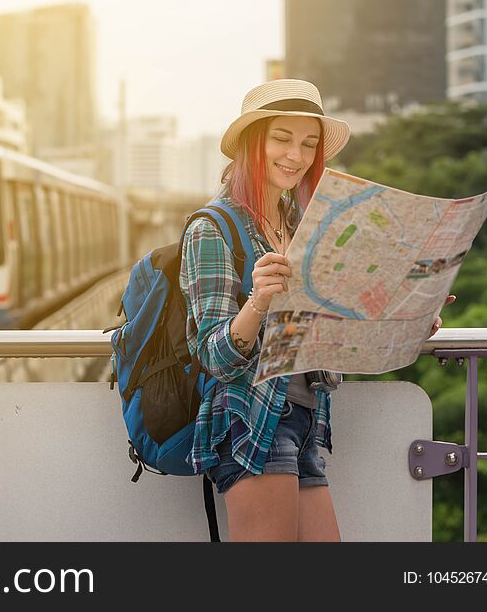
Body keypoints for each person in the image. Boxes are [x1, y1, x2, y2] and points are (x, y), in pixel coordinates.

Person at [180, 79, 452, 542]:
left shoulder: (304, 226)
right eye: (282, 139)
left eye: (308, 144)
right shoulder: (212, 228)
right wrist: (258, 301)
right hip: (252, 417)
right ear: (252, 143)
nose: (296, 156)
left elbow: (334, 331)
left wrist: (408, 317)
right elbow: (214, 355)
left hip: (308, 419)